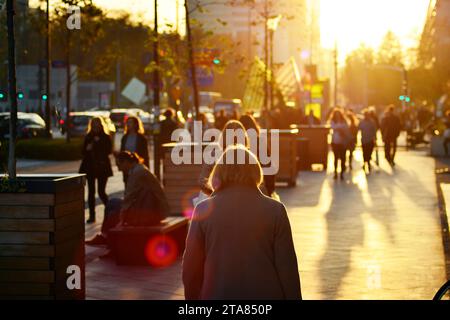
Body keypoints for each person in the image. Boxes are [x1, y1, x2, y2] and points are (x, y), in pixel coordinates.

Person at [183, 145, 301, 300]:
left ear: (218, 173)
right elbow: (287, 268)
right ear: (255, 171)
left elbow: (191, 269)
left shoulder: (203, 210)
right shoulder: (275, 210)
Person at [86, 151, 170, 247]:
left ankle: (106, 237)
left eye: (119, 165)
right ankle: (106, 237)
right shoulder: (139, 169)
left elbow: (128, 198)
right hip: (149, 208)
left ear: (126, 162)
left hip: (150, 212)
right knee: (112, 204)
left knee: (112, 207)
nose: (118, 169)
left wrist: (122, 219)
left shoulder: (137, 173)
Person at [79, 117, 113, 224]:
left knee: (101, 192)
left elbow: (108, 151)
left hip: (102, 167)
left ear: (101, 125)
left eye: (98, 125)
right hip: (90, 167)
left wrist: (98, 143)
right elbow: (83, 151)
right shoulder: (88, 136)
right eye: (94, 125)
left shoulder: (106, 137)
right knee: (91, 192)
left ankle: (111, 211)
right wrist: (87, 148)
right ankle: (92, 215)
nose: (96, 127)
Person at [239, 114, 276, 197]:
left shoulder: (237, 144)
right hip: (259, 185)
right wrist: (270, 189)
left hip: (241, 188)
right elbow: (268, 166)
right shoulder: (260, 142)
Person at [120, 116, 149, 184]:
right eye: (127, 122)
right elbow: (122, 151)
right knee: (127, 184)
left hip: (137, 165)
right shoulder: (125, 137)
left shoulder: (141, 138)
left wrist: (146, 167)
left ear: (136, 124)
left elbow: (145, 154)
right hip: (127, 165)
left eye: (130, 122)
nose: (128, 124)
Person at [329, 109, 350, 180]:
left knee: (343, 158)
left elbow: (346, 128)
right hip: (335, 142)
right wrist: (340, 128)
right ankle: (335, 172)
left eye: (338, 114)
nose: (337, 116)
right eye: (336, 114)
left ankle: (342, 173)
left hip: (343, 142)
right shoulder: (333, 121)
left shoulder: (344, 121)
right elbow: (332, 127)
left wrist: (338, 128)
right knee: (335, 158)